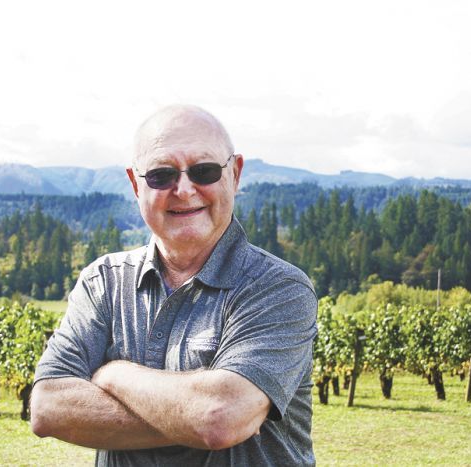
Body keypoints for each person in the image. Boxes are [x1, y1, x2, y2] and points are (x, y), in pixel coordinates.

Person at [30, 104, 318, 466]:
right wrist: (192, 415)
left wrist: (112, 374)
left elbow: (218, 419)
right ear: (136, 184)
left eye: (204, 171)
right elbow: (48, 408)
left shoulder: (279, 288)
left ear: (235, 174)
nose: (184, 189)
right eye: (161, 175)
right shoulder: (103, 281)